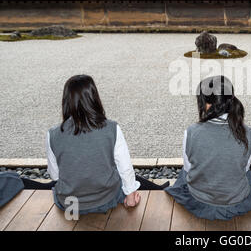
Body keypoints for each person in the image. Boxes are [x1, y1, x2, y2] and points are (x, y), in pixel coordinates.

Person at [32, 74, 168, 215]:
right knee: (116, 171)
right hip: (107, 199)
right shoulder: (111, 128)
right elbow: (125, 167)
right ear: (94, 97)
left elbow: (55, 176)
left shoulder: (52, 134)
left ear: (66, 100)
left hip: (70, 205)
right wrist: (131, 197)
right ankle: (158, 189)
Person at [165, 75, 251, 220]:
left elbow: (188, 169)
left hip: (199, 197)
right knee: (247, 176)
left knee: (183, 175)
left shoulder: (191, 131)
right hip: (235, 199)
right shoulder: (247, 132)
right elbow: (244, 168)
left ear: (206, 104)